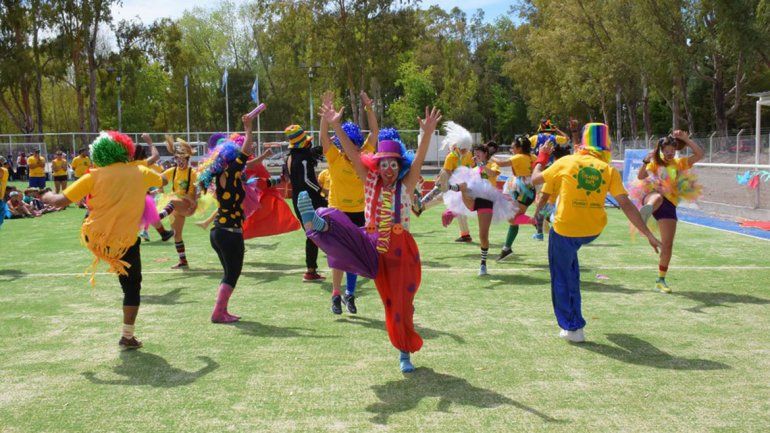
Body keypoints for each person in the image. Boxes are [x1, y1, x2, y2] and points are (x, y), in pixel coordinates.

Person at [302, 101, 441, 373]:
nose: (388, 169)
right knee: (342, 227)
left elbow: (421, 159)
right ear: (377, 167)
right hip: (372, 244)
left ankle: (404, 351)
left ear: (399, 166)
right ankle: (319, 223)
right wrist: (335, 126)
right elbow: (354, 155)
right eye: (384, 164)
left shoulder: (406, 184)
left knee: (398, 304)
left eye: (393, 164)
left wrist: (426, 134)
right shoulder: (369, 181)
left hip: (401, 251)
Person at [531, 122, 662, 343]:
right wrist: (647, 233)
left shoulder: (566, 162)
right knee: (571, 268)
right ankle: (574, 321)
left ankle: (573, 328)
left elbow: (534, 179)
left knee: (562, 276)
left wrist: (542, 158)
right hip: (592, 230)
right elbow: (627, 205)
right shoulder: (608, 169)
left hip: (565, 228)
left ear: (583, 143)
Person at [42, 131, 165, 349]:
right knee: (132, 288)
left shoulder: (93, 175)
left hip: (96, 239)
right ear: (125, 150)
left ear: (98, 152)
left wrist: (46, 195)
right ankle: (127, 336)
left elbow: (59, 201)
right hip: (124, 244)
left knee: (97, 228)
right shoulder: (140, 172)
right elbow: (163, 180)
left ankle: (127, 337)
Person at [318, 90, 378, 314]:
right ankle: (335, 293)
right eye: (342, 144)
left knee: (354, 254)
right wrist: (326, 115)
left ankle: (350, 294)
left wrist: (369, 108)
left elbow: (374, 131)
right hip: (337, 212)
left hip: (360, 212)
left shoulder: (364, 157)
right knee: (337, 254)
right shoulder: (334, 157)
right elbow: (324, 137)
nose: (345, 148)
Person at [196, 113, 259, 323]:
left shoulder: (218, 175)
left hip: (218, 232)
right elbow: (247, 149)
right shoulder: (232, 173)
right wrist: (248, 129)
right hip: (230, 233)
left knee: (228, 274)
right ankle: (218, 312)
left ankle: (222, 310)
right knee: (232, 275)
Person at [635, 131, 703, 293]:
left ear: (676, 150)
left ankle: (661, 280)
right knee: (657, 198)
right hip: (652, 196)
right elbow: (640, 176)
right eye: (666, 150)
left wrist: (686, 139)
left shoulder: (679, 163)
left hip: (669, 204)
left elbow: (699, 155)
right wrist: (646, 161)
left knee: (668, 245)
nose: (670, 153)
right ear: (661, 150)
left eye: (672, 150)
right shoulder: (655, 163)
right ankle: (646, 212)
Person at [442, 143, 516, 276]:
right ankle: (449, 189)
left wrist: (482, 165)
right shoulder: (473, 169)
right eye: (475, 153)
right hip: (472, 197)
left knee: (483, 235)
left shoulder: (491, 164)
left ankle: (483, 263)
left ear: (485, 154)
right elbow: (468, 184)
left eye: (479, 153)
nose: (476, 155)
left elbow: (493, 174)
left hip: (486, 200)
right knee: (463, 185)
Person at [418, 122, 475, 242]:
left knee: (444, 200)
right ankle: (465, 234)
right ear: (457, 146)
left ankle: (421, 207)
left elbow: (470, 167)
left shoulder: (468, 154)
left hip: (460, 185)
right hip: (453, 184)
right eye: (463, 149)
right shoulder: (451, 157)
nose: (465, 151)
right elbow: (447, 172)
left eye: (466, 149)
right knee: (445, 199)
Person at [283, 124, 327, 282]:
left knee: (312, 233)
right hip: (309, 199)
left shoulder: (290, 156)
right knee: (319, 230)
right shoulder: (302, 158)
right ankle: (316, 267)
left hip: (298, 199)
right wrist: (322, 191)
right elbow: (307, 180)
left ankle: (311, 270)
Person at [494, 135, 536, 261]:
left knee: (512, 219)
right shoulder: (531, 157)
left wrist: (489, 156)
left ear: (519, 148)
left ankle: (536, 221)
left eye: (513, 146)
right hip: (523, 187)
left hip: (523, 189)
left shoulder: (519, 157)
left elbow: (500, 163)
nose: (511, 148)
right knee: (513, 219)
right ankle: (507, 248)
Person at [160, 137, 198, 269]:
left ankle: (159, 216)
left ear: (188, 160)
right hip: (176, 206)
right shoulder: (173, 171)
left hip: (188, 205)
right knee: (177, 235)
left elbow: (200, 188)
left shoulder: (192, 172)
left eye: (183, 160)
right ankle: (183, 261)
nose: (180, 162)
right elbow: (160, 178)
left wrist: (194, 200)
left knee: (172, 201)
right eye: (178, 160)